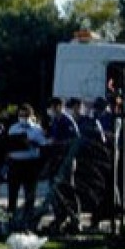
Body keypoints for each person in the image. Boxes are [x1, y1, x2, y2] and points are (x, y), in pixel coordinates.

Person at [5, 104, 48, 225]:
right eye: (20, 115)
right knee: (12, 193)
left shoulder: (37, 129)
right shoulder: (13, 128)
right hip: (15, 163)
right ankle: (11, 218)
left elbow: (43, 145)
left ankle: (28, 218)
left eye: (25, 115)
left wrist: (31, 143)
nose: (22, 117)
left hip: (30, 164)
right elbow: (8, 144)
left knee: (30, 193)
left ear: (31, 115)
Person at [47, 96, 82, 233]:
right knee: (56, 191)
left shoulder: (67, 121)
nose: (52, 110)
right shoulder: (56, 120)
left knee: (68, 190)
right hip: (56, 161)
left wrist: (55, 143)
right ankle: (60, 217)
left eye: (54, 107)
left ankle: (75, 220)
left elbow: (74, 141)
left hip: (66, 162)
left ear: (59, 107)